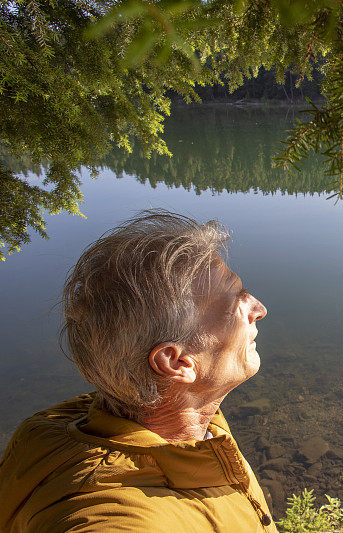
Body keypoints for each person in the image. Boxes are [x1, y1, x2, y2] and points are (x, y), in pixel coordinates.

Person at [0, 210, 277, 532]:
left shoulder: (53, 426)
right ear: (177, 362)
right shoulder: (120, 517)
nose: (259, 309)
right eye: (236, 302)